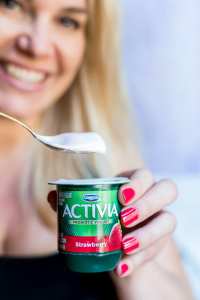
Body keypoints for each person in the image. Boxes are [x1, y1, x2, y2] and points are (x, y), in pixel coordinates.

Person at [0, 0, 194, 299]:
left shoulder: (110, 171)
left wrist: (137, 266)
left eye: (67, 21)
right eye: (11, 5)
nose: (37, 47)